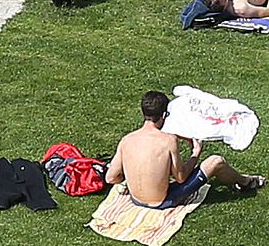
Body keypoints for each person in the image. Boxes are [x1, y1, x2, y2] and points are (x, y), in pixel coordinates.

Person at [109, 88, 261, 210]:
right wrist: (196, 153)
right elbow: (181, 177)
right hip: (162, 201)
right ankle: (246, 182)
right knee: (216, 162)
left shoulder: (126, 140)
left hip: (136, 200)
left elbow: (111, 177)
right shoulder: (168, 141)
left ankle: (245, 181)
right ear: (163, 114)